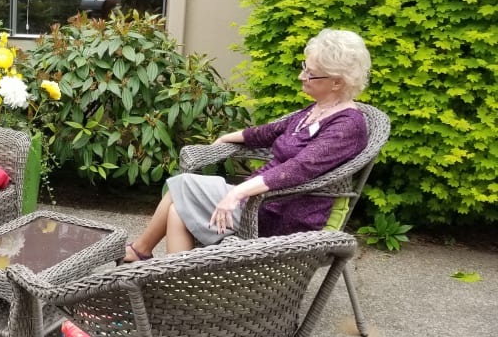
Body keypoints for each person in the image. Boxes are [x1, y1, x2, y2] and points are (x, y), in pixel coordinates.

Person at [123, 28, 371, 262]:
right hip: (263, 201)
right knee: (178, 210)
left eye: (310, 73)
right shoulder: (319, 109)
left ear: (337, 82)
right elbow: (271, 131)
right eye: (304, 67)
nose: (301, 76)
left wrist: (236, 193)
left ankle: (141, 252)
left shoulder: (347, 126)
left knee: (182, 184)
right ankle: (175, 286)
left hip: (282, 215)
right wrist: (229, 137)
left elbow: (298, 168)